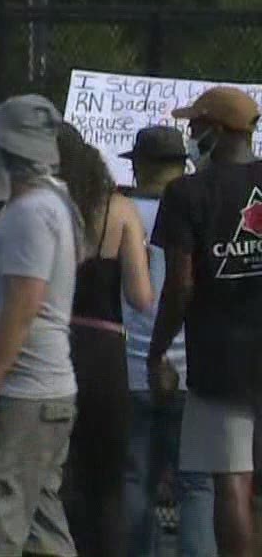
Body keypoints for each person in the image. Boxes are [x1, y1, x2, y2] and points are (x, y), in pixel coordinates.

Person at [0, 95, 79, 557]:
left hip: (19, 398)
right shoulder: (44, 206)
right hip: (37, 395)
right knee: (42, 529)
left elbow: (23, 304)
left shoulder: (32, 215)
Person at [147, 86, 262, 557]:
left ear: (214, 132)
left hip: (221, 359)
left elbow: (181, 285)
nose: (190, 135)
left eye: (194, 126)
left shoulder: (187, 192)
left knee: (231, 482)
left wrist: (158, 351)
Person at [57, 124, 154, 557]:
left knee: (61, 475)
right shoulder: (121, 209)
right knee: (108, 482)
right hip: (106, 350)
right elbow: (141, 296)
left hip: (58, 344)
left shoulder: (50, 207)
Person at [118, 126, 213, 557]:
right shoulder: (200, 207)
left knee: (135, 478)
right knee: (196, 485)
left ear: (138, 165)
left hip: (130, 366)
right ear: (182, 165)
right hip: (192, 368)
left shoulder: (116, 212)